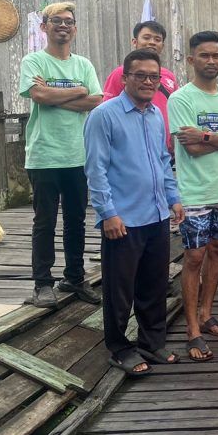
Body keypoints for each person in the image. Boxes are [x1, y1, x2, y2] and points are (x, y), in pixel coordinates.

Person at [84, 49, 184, 376]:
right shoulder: (104, 115)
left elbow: (162, 162)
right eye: (139, 75)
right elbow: (95, 170)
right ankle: (119, 348)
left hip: (155, 215)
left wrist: (173, 198)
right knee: (119, 289)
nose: (147, 81)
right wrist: (107, 212)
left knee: (154, 284)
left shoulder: (155, 114)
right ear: (124, 77)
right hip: (122, 220)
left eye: (153, 76)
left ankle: (151, 342)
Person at [167, 31, 218, 361]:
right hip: (195, 191)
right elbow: (192, 149)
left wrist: (205, 135)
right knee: (194, 257)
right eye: (205, 55)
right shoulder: (181, 99)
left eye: (217, 55)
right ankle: (192, 329)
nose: (212, 61)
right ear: (191, 60)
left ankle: (206, 313)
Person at [18, 2, 103, 308]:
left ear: (75, 28)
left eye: (69, 21)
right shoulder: (33, 61)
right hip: (44, 155)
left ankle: (75, 278)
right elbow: (38, 95)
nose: (63, 25)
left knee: (76, 221)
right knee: (44, 222)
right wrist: (77, 92)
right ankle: (42, 283)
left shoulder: (84, 65)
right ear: (45, 27)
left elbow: (95, 100)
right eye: (56, 20)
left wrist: (57, 98)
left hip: (77, 154)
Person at [102, 20, 178, 150]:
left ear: (163, 45)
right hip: (131, 148)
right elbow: (107, 111)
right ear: (134, 42)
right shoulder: (121, 73)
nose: (152, 42)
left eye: (157, 39)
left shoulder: (169, 76)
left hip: (164, 150)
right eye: (146, 37)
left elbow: (175, 111)